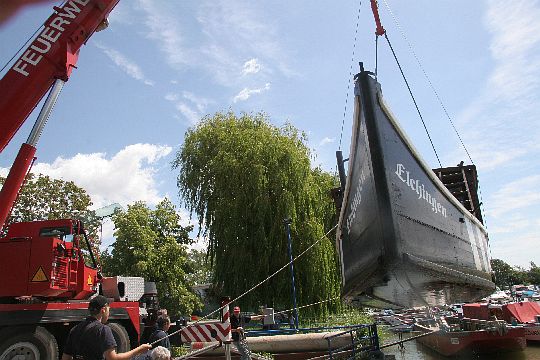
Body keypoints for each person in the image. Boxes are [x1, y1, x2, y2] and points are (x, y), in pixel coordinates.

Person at [61, 295, 152, 360]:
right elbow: (113, 358)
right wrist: (139, 349)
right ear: (103, 310)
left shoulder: (75, 329)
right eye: (109, 309)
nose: (109, 313)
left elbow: (66, 357)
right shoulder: (103, 330)